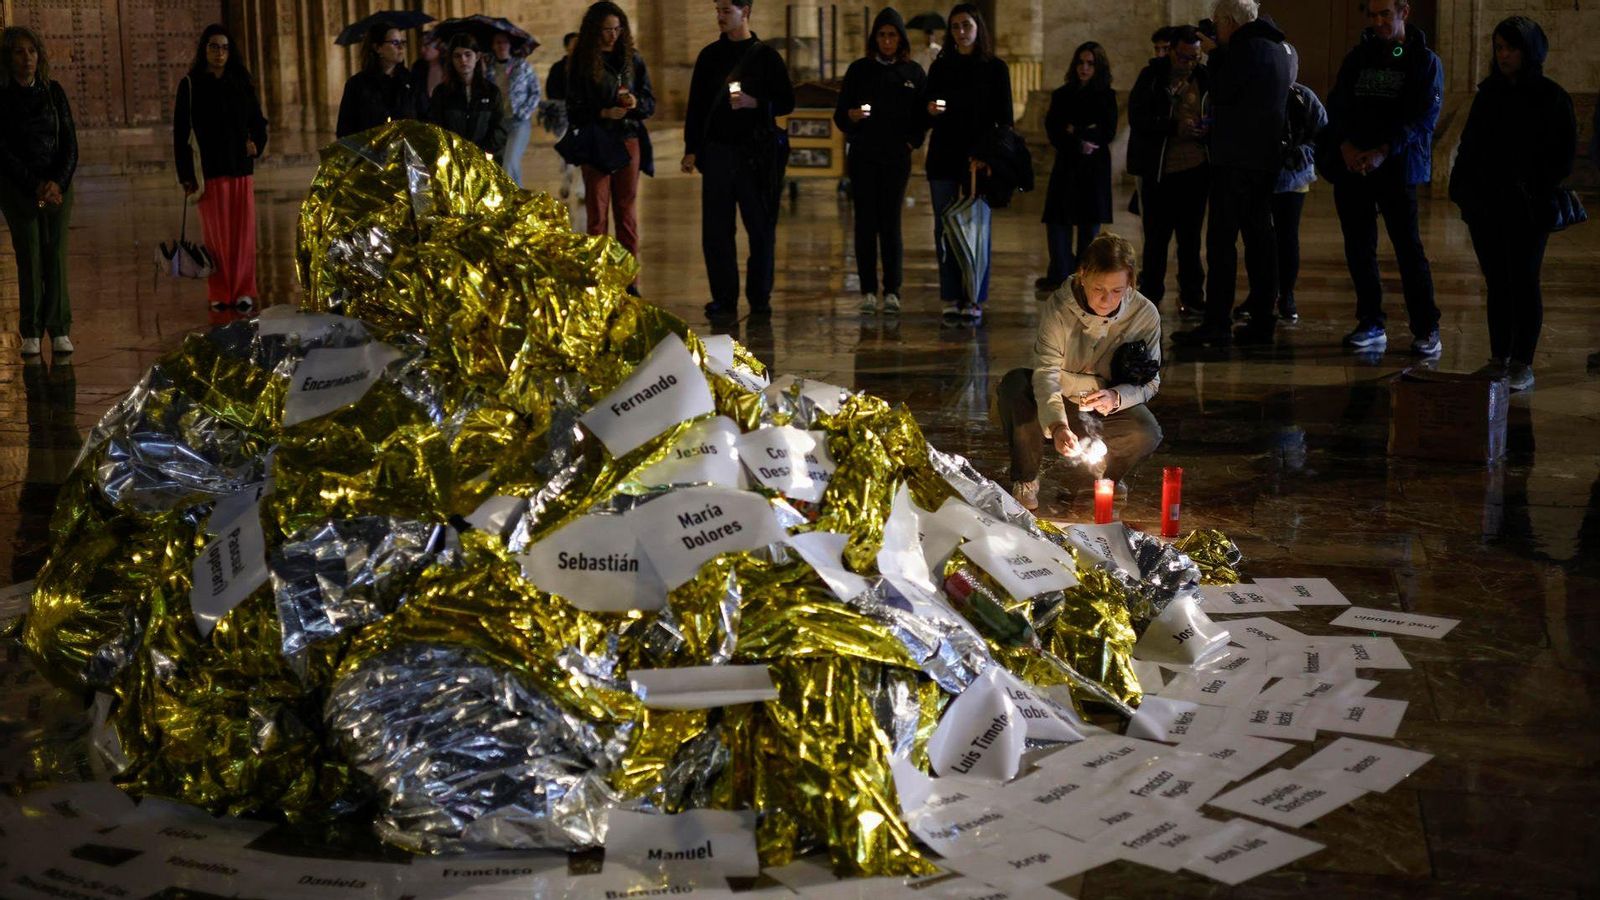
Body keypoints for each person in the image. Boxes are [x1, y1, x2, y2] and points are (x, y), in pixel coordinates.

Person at [1449, 16, 1576, 392]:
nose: (1504, 56)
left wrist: (1532, 189)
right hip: (1486, 206)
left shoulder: (1552, 98)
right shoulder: (1489, 94)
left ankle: (1522, 361)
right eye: (1499, 48)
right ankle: (1499, 356)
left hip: (1527, 208)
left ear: (1529, 51)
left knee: (1523, 281)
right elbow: (1470, 146)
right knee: (1497, 283)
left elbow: (1562, 158)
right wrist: (1465, 193)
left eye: (1512, 48)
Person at [997, 232, 1163, 511]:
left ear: (1130, 283)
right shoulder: (1060, 308)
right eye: (1098, 289)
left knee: (1146, 431)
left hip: (1103, 407)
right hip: (1058, 396)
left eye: (1117, 291)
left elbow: (1150, 382)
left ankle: (1103, 479)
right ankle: (1026, 478)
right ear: (1082, 275)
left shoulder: (1144, 315)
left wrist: (1116, 396)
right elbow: (1046, 370)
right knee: (1014, 385)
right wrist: (1058, 424)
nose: (1107, 300)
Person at [1318, 0, 1443, 357]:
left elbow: (1423, 118)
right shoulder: (1358, 57)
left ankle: (1426, 327)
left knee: (1408, 250)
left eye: (1384, 14)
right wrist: (1345, 146)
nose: (1378, 22)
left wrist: (1383, 151)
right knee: (1359, 248)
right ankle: (1371, 320)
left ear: (1404, 11)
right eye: (1372, 15)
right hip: (1354, 166)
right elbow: (1337, 105)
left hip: (1397, 169)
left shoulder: (1423, 60)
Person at [1171, 0, 1290, 348]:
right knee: (1260, 242)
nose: (1215, 29)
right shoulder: (1276, 48)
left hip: (1236, 161)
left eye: (1217, 22)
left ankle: (1217, 322)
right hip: (1263, 160)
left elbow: (1221, 92)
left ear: (1229, 21)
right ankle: (1264, 320)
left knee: (1222, 243)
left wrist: (1215, 55)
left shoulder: (1242, 50)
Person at [681, 0, 795, 321]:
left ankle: (760, 298)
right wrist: (691, 149)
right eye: (717, 10)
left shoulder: (767, 57)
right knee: (716, 230)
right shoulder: (709, 56)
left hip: (755, 155)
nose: (719, 17)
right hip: (717, 152)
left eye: (726, 11)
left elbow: (787, 101)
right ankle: (723, 299)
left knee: (759, 228)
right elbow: (697, 107)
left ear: (745, 12)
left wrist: (754, 102)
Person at [834, 8, 927, 315]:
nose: (887, 41)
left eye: (892, 35)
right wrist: (851, 116)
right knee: (865, 224)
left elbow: (922, 116)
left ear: (900, 39)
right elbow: (840, 116)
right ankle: (868, 290)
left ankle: (892, 290)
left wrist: (911, 141)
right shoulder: (859, 70)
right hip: (863, 157)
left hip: (895, 159)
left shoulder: (912, 73)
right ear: (875, 38)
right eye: (882, 35)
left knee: (890, 224)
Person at [174, 24, 269, 325]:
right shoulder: (191, 85)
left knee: (242, 234)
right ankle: (219, 290)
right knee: (216, 237)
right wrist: (186, 175)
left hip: (240, 167)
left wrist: (258, 144)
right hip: (209, 171)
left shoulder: (241, 82)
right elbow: (179, 134)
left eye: (225, 48)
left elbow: (258, 121)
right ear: (204, 50)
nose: (219, 53)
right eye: (214, 47)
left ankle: (242, 289)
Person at [924, 3, 1012, 322]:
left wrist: (989, 158)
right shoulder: (942, 66)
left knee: (977, 230)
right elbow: (926, 107)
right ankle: (950, 295)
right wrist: (930, 110)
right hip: (944, 157)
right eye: (956, 26)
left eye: (966, 25)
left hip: (978, 160)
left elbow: (1004, 120)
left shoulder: (995, 68)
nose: (961, 32)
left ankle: (974, 296)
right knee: (945, 230)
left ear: (978, 28)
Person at [566, 2, 656, 292]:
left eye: (618, 29)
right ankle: (598, 279)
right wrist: (602, 113)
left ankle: (631, 280)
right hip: (597, 141)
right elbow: (573, 108)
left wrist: (635, 104)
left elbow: (649, 102)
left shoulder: (633, 60)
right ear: (594, 30)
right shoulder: (581, 61)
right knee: (598, 214)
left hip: (628, 138)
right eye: (606, 30)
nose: (612, 36)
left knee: (626, 213)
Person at [0, 26, 77, 356]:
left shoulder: (54, 92)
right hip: (18, 189)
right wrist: (35, 185)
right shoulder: (1, 98)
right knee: (29, 255)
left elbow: (70, 144)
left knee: (55, 254)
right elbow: (3, 151)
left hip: (57, 186)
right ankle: (31, 330)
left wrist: (57, 182)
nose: (27, 58)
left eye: (32, 51)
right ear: (7, 57)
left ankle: (59, 328)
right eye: (19, 51)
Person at [1125, 25, 1209, 316]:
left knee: (1190, 239)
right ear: (1171, 51)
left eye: (1194, 58)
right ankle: (1150, 296)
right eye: (1184, 57)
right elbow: (1138, 117)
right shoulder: (1151, 77)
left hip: (1195, 170)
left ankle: (1192, 296)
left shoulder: (1204, 77)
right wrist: (1173, 126)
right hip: (1159, 171)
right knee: (1156, 240)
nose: (1188, 64)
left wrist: (1206, 127)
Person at [1037, 41, 1116, 295]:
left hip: (1093, 169)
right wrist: (1080, 136)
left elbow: (1106, 131)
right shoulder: (1063, 94)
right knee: (1058, 221)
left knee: (1088, 225)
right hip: (1068, 165)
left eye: (1090, 64)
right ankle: (1060, 275)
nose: (1084, 68)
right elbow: (1055, 129)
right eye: (1080, 63)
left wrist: (1077, 130)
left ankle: (1086, 278)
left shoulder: (1106, 96)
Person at [1265, 51, 1327, 325]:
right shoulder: (1260, 94)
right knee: (1263, 240)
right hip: (1262, 177)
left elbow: (1324, 135)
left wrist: (1303, 152)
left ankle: (1286, 294)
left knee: (1287, 239)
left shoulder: (1305, 98)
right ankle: (1264, 293)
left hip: (1294, 180)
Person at [427, 34, 508, 160]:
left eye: (468, 54)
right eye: (457, 56)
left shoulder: (491, 92)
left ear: (477, 57)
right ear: (451, 60)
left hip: (483, 161)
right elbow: (435, 127)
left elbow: (499, 127)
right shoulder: (442, 92)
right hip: (453, 160)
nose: (463, 60)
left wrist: (481, 151)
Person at [336, 23, 415, 138]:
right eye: (395, 43)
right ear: (378, 48)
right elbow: (345, 130)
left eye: (403, 42)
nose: (401, 48)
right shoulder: (357, 84)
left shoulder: (411, 81)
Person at [484, 32, 540, 187]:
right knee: (506, 165)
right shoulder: (489, 69)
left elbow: (535, 92)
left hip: (519, 122)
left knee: (510, 161)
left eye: (504, 42)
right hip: (499, 123)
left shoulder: (522, 66)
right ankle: (517, 200)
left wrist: (524, 112)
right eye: (497, 42)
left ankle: (515, 200)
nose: (501, 46)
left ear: (510, 45)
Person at [542, 32, 586, 228]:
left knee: (582, 153)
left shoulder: (587, 68)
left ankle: (581, 188)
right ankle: (567, 176)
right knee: (564, 149)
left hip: (582, 115)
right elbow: (551, 89)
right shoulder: (558, 68)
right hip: (562, 115)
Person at [410, 30, 445, 117]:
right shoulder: (418, 67)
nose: (422, 50)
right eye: (420, 46)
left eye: (426, 45)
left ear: (438, 44)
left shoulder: (448, 66)